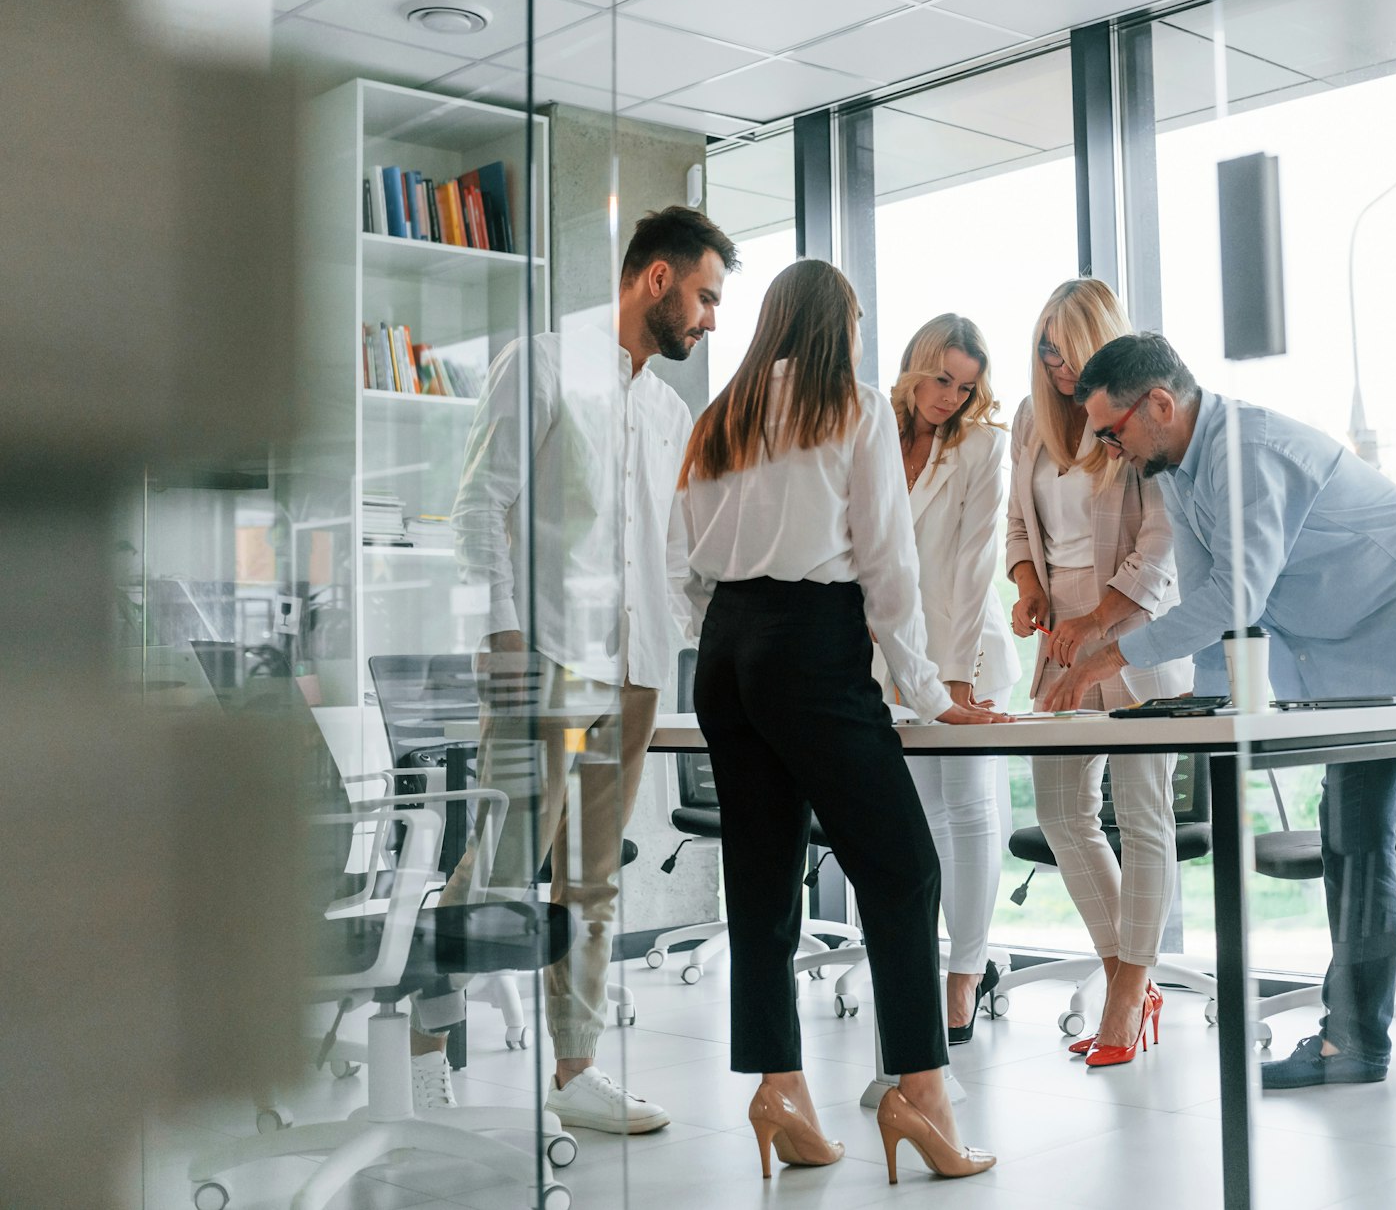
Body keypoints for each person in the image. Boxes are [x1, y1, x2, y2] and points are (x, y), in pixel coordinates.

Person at [1046, 332, 1396, 1097]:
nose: (1108, 446)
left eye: (1112, 429)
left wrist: (1110, 658)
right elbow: (1212, 604)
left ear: (1159, 404)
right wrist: (1199, 695)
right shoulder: (1178, 472)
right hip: (1355, 656)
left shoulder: (1245, 452)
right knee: (1354, 842)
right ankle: (1354, 1041)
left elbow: (1239, 594)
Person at [409, 206, 738, 1134]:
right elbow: (478, 511)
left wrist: (702, 639)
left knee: (592, 876)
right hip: (550, 663)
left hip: (633, 673)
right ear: (657, 279)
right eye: (706, 296)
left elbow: (674, 553)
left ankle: (576, 1068)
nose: (710, 319)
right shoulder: (543, 364)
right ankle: (427, 1038)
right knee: (509, 858)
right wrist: (502, 641)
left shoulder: (669, 410)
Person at [678, 259, 1006, 1184]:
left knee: (763, 876)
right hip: (812, 645)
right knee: (904, 870)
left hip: (727, 651)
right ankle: (921, 1094)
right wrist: (930, 690)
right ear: (839, 322)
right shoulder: (852, 406)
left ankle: (780, 1083)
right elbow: (887, 570)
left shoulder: (721, 416)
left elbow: (681, 561)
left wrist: (720, 635)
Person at [1006, 279, 1193, 1069]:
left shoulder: (1137, 420)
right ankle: (1124, 971)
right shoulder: (1030, 420)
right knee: (1060, 809)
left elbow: (1160, 544)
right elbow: (1018, 521)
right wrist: (1026, 586)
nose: (1054, 366)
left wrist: (1096, 621)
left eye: (1067, 350)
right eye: (1045, 350)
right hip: (1062, 634)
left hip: (1136, 631)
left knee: (1142, 815)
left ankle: (1128, 989)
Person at [880, 313, 1021, 1044]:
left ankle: (965, 972)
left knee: (968, 808)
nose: (950, 396)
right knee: (927, 815)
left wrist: (957, 676)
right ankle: (949, 957)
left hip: (967, 653)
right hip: (895, 664)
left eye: (965, 386)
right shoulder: (874, 433)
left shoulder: (982, 447)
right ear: (915, 365)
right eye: (941, 378)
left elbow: (973, 567)